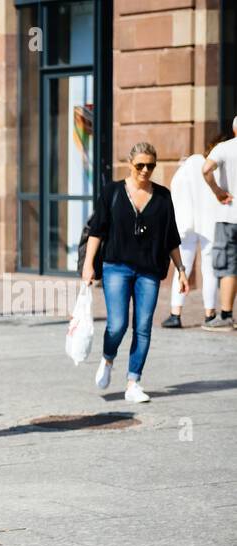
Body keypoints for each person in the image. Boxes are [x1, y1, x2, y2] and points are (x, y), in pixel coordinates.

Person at [82, 142, 186, 403]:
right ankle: (107, 359)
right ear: (130, 164)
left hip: (149, 270)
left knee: (143, 327)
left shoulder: (163, 196)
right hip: (116, 266)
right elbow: (97, 230)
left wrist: (182, 270)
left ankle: (133, 382)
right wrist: (88, 264)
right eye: (140, 165)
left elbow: (171, 237)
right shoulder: (112, 192)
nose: (145, 170)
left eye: (151, 165)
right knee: (117, 325)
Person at [165, 137, 224, 328]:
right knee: (210, 271)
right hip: (210, 223)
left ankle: (175, 313)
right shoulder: (218, 168)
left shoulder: (191, 163)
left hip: (187, 224)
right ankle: (209, 314)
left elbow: (175, 186)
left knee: (182, 268)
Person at [201, 117, 237, 330]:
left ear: (234, 130)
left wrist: (217, 191)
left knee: (229, 266)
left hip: (229, 214)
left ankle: (225, 316)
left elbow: (206, 169)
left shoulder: (224, 148)